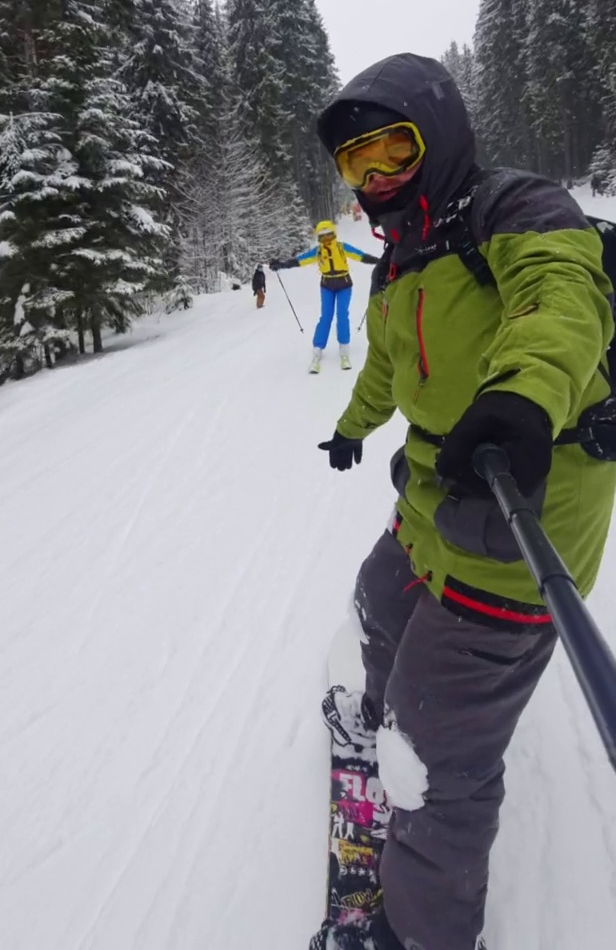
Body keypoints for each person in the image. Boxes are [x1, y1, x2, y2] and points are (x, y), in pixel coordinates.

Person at [312, 53, 616, 950]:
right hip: (436, 492)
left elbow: (560, 301)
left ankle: (424, 933)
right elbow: (385, 365)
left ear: (438, 141)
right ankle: (378, 708)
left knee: (438, 758)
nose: (375, 182)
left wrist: (523, 394)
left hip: (524, 510)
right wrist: (354, 425)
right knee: (376, 601)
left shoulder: (516, 210)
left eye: (394, 154)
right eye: (357, 166)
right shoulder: (397, 261)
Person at [270, 220, 377, 372]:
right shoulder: (318, 251)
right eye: (322, 237)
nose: (326, 239)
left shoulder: (341, 247)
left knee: (342, 315)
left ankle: (344, 350)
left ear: (333, 234)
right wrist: (281, 264)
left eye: (329, 235)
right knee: (326, 316)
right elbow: (300, 260)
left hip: (344, 284)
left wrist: (380, 262)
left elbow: (360, 256)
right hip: (327, 285)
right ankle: (317, 349)